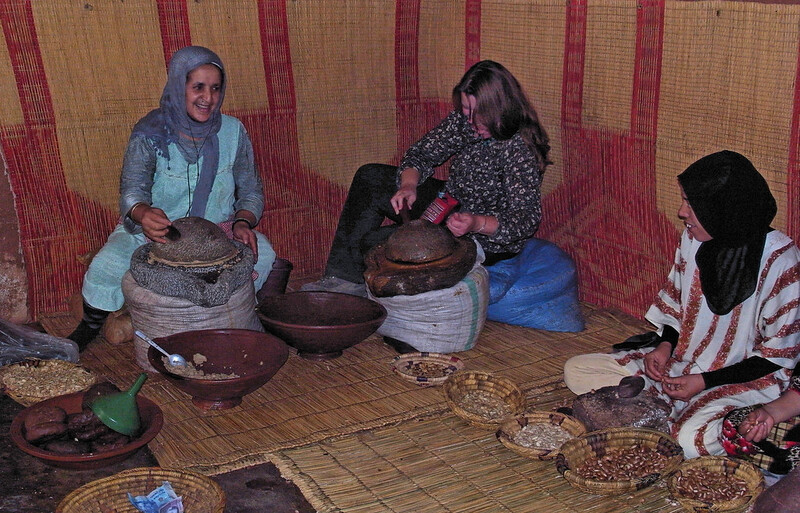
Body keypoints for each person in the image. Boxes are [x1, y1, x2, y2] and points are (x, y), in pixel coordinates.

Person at [563, 150, 800, 458]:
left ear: (722, 209)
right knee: (576, 370)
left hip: (746, 378)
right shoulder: (693, 239)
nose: (681, 212)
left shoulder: (781, 260)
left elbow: (778, 354)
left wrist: (704, 381)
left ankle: (658, 411)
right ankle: (661, 408)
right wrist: (664, 348)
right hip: (684, 363)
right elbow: (675, 307)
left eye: (692, 203)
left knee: (690, 441)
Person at [68, 46, 276, 349]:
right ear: (179, 86)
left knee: (264, 253)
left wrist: (244, 221)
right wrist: (142, 213)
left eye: (216, 88)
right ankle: (86, 330)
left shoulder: (233, 131)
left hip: (215, 234)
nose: (208, 98)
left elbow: (251, 188)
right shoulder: (150, 132)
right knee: (106, 266)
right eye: (198, 87)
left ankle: (217, 320)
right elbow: (132, 189)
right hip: (158, 234)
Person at [301, 60, 550, 298]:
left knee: (376, 243)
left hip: (482, 235)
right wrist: (409, 185)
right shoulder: (465, 122)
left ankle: (367, 290)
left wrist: (475, 223)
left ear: (502, 108)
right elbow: (422, 153)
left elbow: (524, 220)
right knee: (371, 177)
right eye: (466, 110)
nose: (471, 121)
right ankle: (340, 281)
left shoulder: (519, 149)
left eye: (480, 114)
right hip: (450, 204)